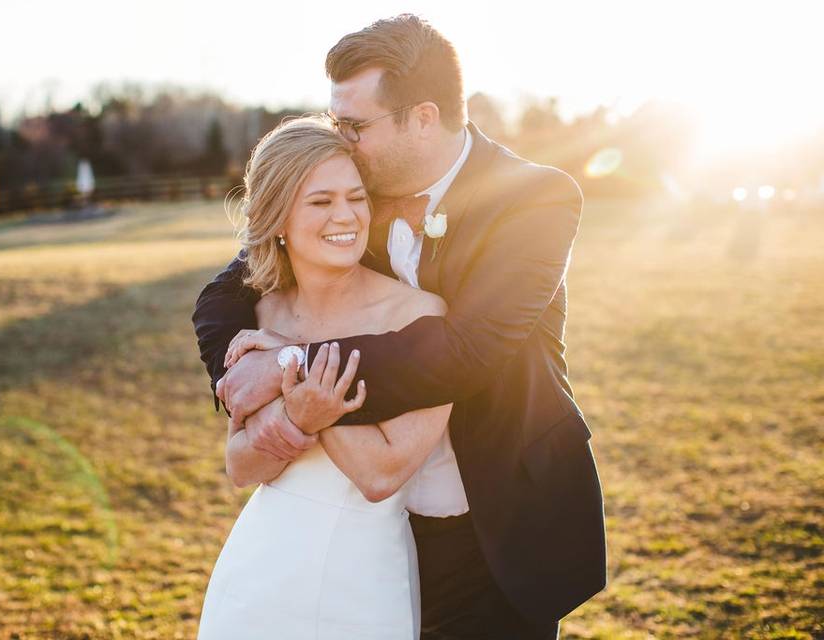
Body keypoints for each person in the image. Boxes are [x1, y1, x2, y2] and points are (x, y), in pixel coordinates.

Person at [194, 14, 607, 640]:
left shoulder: (535, 200)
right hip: (373, 531)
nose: (344, 141)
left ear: (422, 117)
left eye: (355, 126)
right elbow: (226, 292)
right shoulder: (359, 188)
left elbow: (470, 350)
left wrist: (293, 365)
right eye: (338, 123)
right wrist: (241, 369)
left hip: (493, 511)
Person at [196, 115, 454, 640]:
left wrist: (293, 365)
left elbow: (381, 474)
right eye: (320, 202)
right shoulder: (263, 316)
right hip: (259, 573)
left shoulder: (418, 317)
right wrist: (297, 411)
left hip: (362, 580)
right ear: (278, 219)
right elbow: (242, 465)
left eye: (356, 198)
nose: (346, 216)